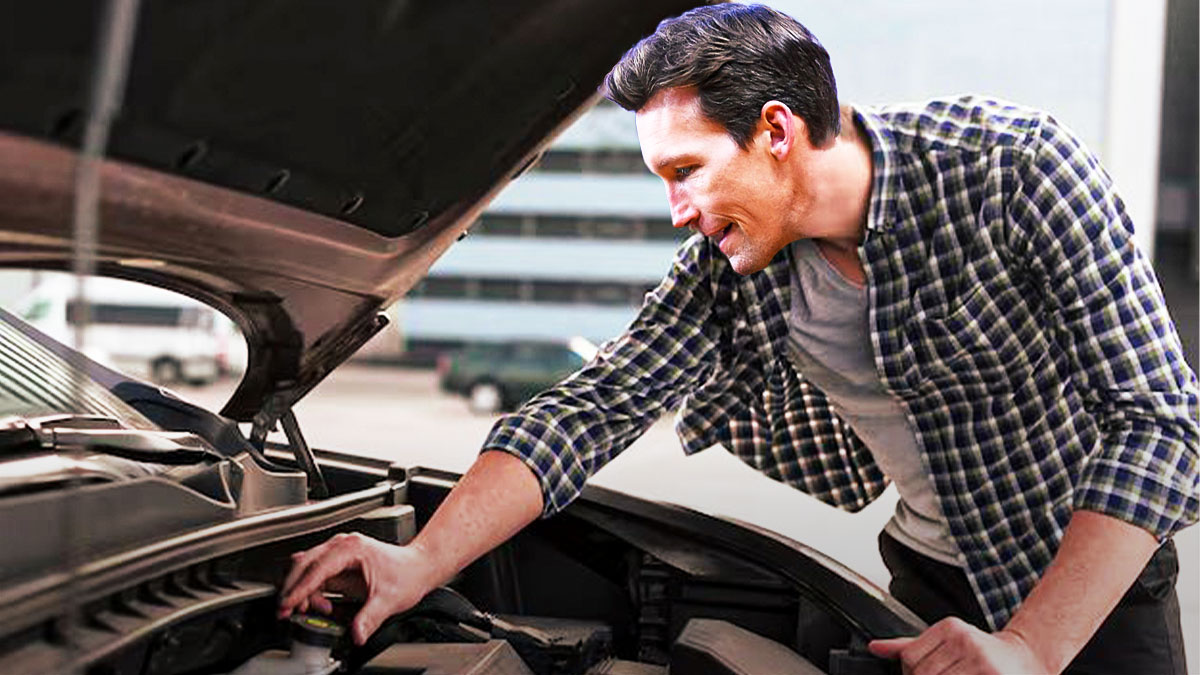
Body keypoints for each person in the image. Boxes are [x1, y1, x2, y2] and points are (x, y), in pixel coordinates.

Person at [279, 4, 1198, 673]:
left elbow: (1160, 420)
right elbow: (593, 406)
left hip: (1090, 579)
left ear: (776, 130)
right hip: (925, 578)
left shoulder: (1015, 168)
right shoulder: (735, 268)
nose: (676, 211)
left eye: (686, 171)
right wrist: (415, 560)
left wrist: (1034, 648)